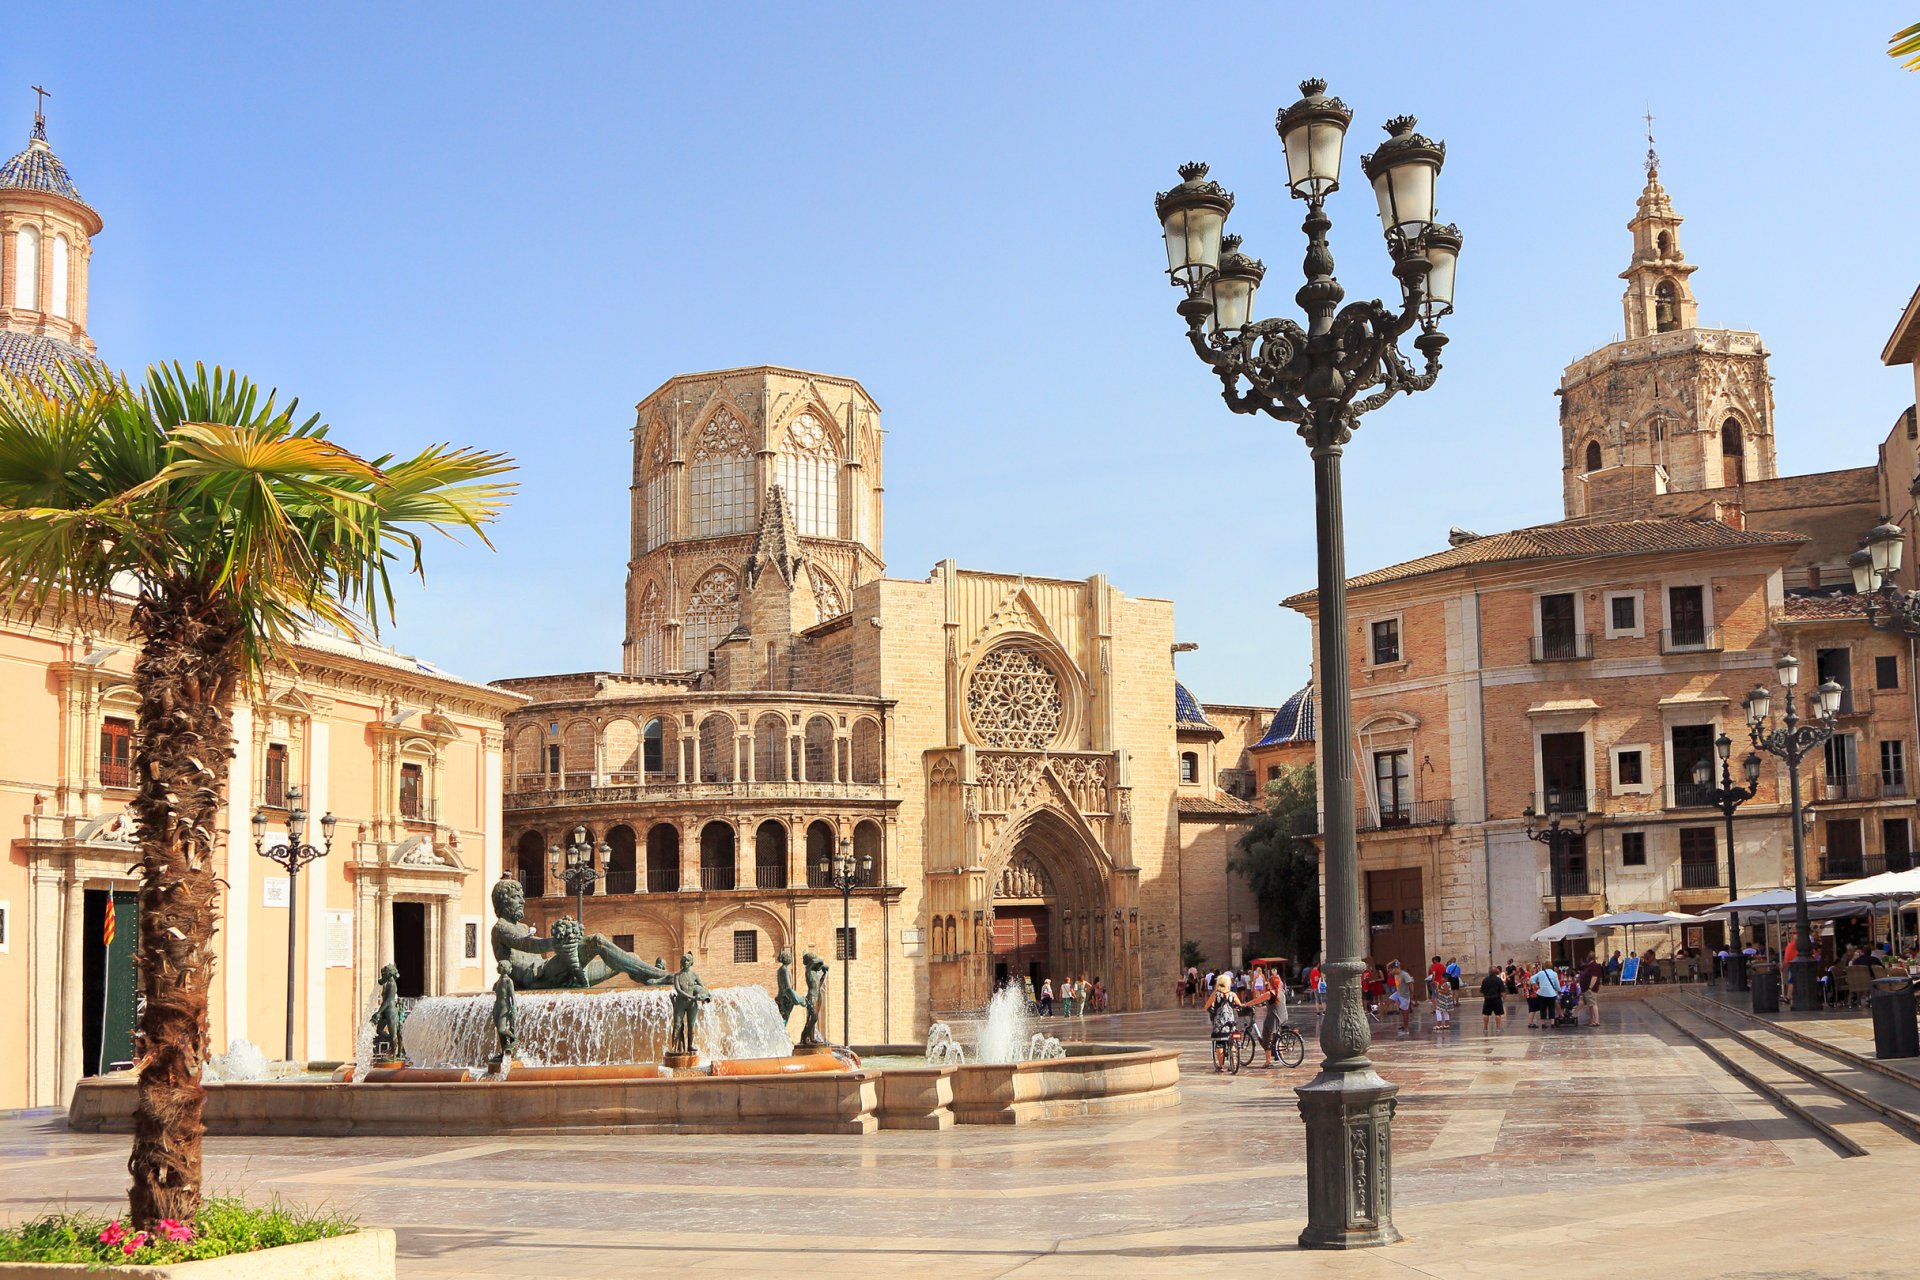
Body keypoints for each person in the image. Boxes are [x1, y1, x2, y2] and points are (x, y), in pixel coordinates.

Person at [1206, 974, 1241, 1072]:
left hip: (1220, 1023)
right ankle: (1234, 1063)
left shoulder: (1215, 994)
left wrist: (1212, 1009)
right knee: (1232, 1042)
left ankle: (1220, 1066)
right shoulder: (1232, 994)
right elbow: (1239, 1004)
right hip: (1230, 1022)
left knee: (1220, 1043)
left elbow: (1206, 1006)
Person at [1529, 961, 1562, 1028]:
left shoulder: (1541, 973)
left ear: (1544, 966)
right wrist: (1559, 990)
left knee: (1543, 1008)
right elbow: (1557, 984)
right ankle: (1552, 1023)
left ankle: (1543, 1024)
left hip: (1542, 993)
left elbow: (1532, 978)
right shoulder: (1554, 974)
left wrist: (1536, 985)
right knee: (1551, 1008)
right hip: (1551, 993)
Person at [1386, 960, 1413, 1036]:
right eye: (1393, 969)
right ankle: (1379, 1016)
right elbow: (1387, 967)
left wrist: (1412, 995)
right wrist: (1393, 961)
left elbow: (1410, 984)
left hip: (1405, 995)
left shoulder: (1404, 974)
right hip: (1398, 993)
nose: (1393, 971)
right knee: (1388, 1001)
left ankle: (1406, 1028)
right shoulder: (1395, 974)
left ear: (1398, 968)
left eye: (1395, 969)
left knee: (1405, 1012)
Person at [1479, 965, 1506, 1033]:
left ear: (1489, 972)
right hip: (1497, 999)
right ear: (1496, 972)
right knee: (1498, 1014)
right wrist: (1504, 998)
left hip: (1488, 999)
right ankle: (1498, 1028)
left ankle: (1485, 1028)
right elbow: (1502, 991)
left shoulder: (1485, 980)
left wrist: (1485, 996)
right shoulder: (1498, 980)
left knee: (1486, 1014)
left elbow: (1482, 991)